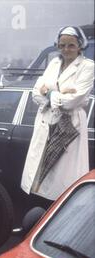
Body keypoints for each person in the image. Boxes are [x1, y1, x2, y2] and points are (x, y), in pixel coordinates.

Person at [21, 26, 94, 202]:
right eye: (62, 45)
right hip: (46, 120)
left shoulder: (88, 66)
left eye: (71, 45)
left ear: (80, 46)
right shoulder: (54, 63)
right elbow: (35, 93)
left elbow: (73, 101)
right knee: (41, 170)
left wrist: (50, 91)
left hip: (70, 124)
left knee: (62, 176)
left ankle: (58, 207)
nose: (66, 49)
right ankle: (39, 206)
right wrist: (58, 93)